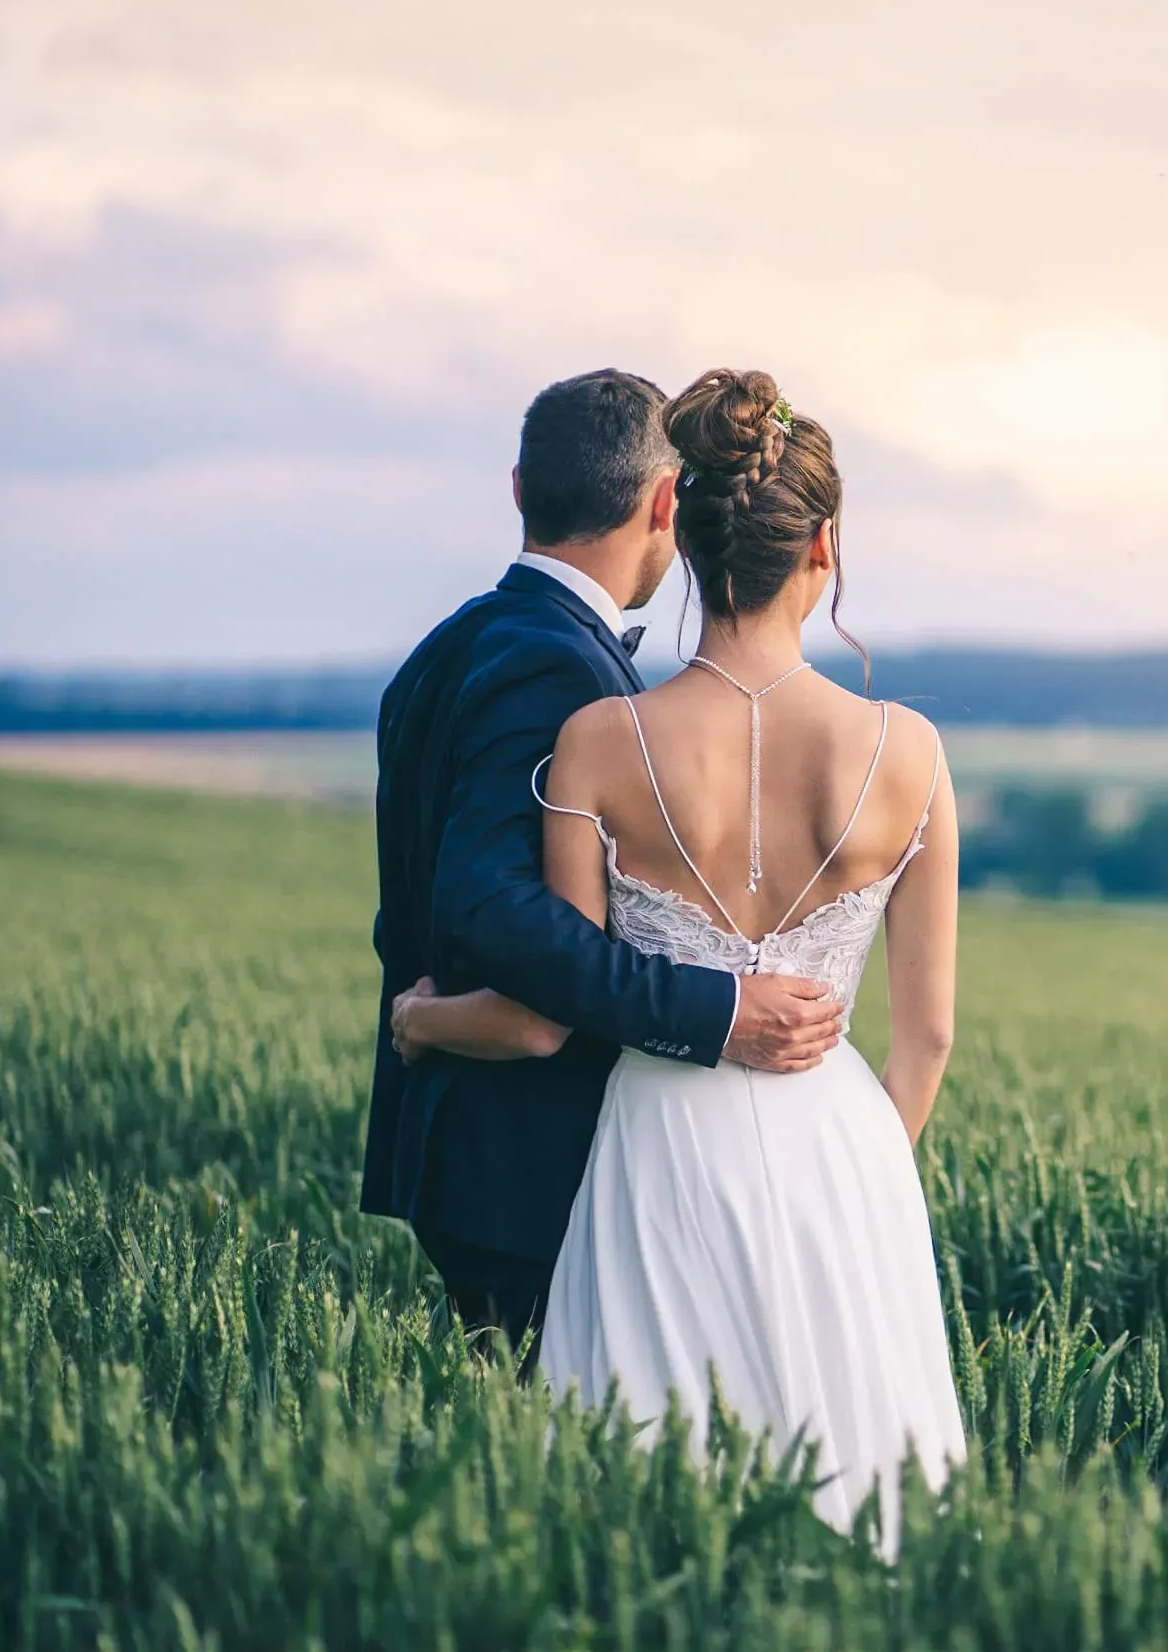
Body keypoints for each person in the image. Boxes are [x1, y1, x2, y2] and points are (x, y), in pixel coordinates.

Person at [391, 369, 966, 1551]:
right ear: (825, 546)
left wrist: (426, 1020)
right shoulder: (907, 749)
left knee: (634, 1499)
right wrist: (852, 1172)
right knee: (868, 1504)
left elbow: (558, 988)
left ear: (686, 533)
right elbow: (929, 1035)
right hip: (844, 1154)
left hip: (649, 1152)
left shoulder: (598, 742)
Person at [362, 369, 846, 1357]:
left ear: (518, 489)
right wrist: (711, 1009)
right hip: (525, 1170)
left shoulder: (452, 646)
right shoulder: (559, 666)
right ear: (665, 502)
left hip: (471, 1152)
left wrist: (424, 1016)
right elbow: (485, 904)